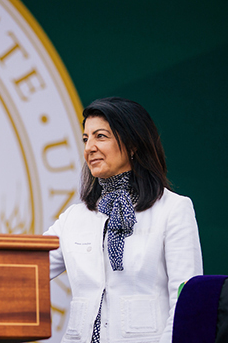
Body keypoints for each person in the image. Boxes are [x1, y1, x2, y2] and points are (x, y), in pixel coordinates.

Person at [44, 97, 203, 343]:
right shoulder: (73, 218)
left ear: (132, 144)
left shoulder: (173, 210)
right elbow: (24, 267)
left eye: (101, 136)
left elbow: (187, 301)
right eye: (86, 139)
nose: (89, 148)